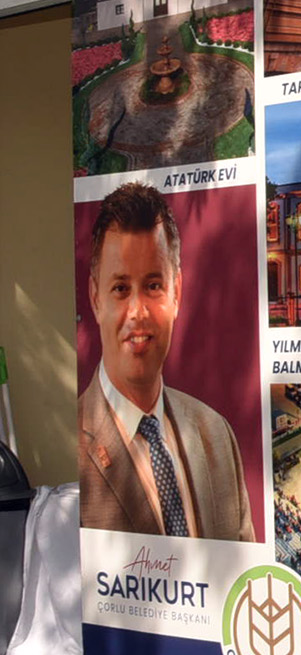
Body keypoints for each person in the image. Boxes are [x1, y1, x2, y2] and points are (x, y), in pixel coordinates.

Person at [78, 182, 256, 541]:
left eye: (154, 285)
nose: (138, 312)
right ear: (96, 298)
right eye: (120, 288)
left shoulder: (217, 434)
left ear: (177, 293)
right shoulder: (70, 446)